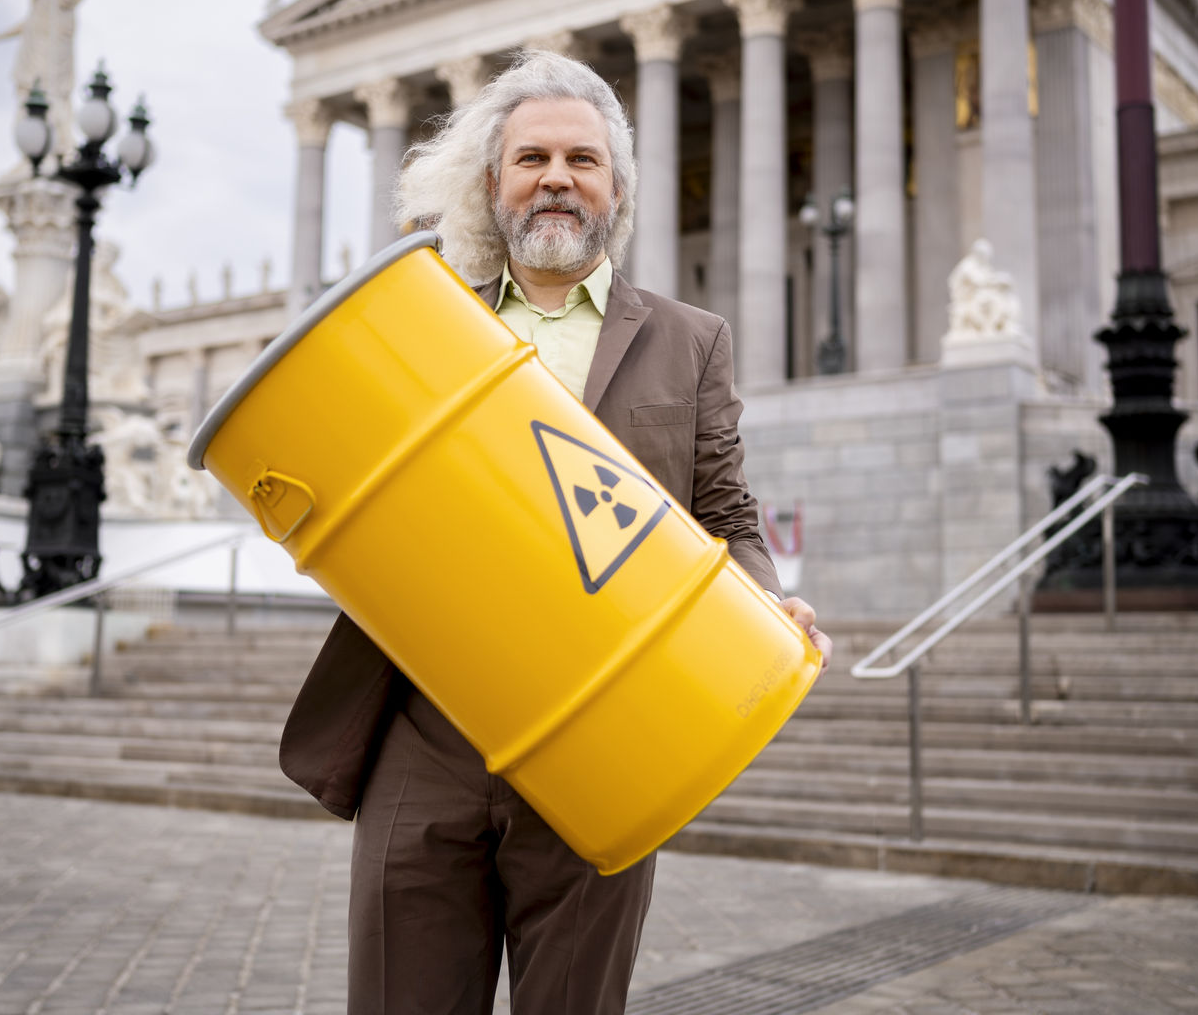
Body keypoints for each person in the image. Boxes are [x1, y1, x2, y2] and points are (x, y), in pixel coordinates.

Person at [278, 51, 831, 1014]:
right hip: (425, 729)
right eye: (531, 157)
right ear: (493, 183)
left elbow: (727, 517)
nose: (556, 178)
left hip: (604, 738)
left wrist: (761, 601)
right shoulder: (426, 320)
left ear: (616, 187)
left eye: (582, 158)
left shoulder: (688, 340)